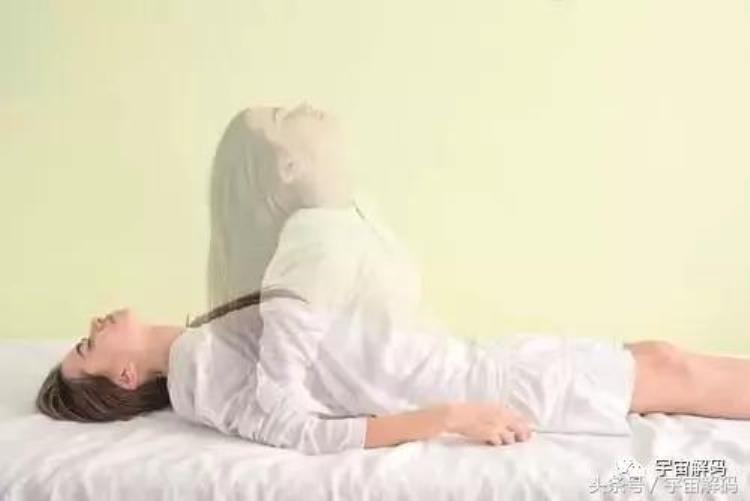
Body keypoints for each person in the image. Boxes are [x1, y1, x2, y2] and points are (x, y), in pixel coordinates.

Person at [37, 104, 750, 455]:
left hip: (475, 363)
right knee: (670, 368)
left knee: (658, 358)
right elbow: (293, 425)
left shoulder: (213, 337)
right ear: (125, 376)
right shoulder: (203, 368)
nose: (93, 326)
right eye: (86, 346)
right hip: (479, 384)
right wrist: (451, 416)